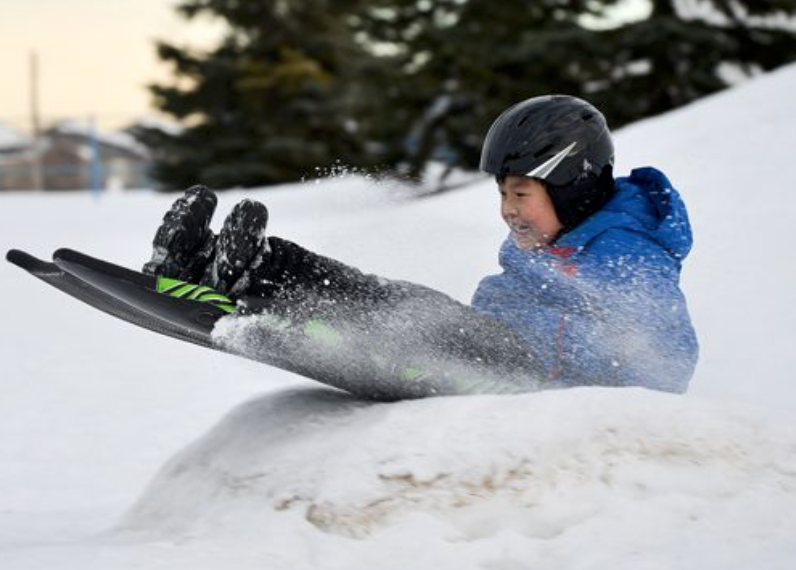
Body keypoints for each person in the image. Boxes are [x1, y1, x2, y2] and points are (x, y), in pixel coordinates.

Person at [144, 95, 698, 397]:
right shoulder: (560, 239)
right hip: (493, 346)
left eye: (522, 192)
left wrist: (569, 372)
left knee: (413, 317)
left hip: (531, 378)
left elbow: (667, 362)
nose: (508, 208)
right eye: (503, 191)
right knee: (397, 300)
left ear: (573, 185)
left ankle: (258, 281)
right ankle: (229, 267)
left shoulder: (629, 255)